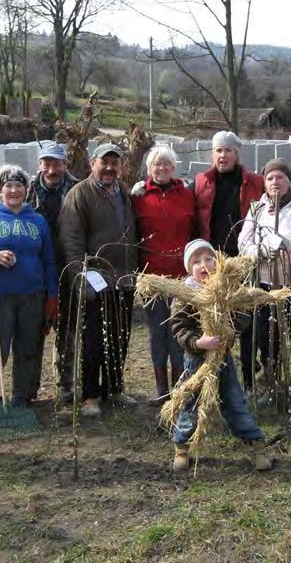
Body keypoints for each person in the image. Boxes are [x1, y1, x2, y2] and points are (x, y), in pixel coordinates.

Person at [0, 165, 58, 431]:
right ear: (0, 189)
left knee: (28, 350)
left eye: (19, 185)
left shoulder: (37, 221)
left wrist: (52, 296)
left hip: (33, 296)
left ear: (26, 190)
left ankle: (20, 401)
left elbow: (49, 260)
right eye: (8, 186)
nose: (14, 190)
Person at [169, 239, 273, 473]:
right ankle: (182, 447)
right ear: (189, 269)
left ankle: (255, 444)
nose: (204, 264)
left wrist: (229, 330)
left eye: (209, 258)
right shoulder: (184, 294)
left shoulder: (229, 290)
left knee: (234, 401)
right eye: (196, 261)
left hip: (223, 359)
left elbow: (243, 315)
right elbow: (178, 327)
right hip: (195, 360)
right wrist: (198, 342)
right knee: (191, 403)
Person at [59, 143, 139, 417]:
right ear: (93, 164)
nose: (109, 168)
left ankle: (114, 389)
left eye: (114, 163)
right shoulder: (79, 194)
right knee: (94, 339)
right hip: (95, 279)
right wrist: (79, 279)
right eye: (104, 162)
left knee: (120, 337)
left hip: (124, 279)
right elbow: (71, 242)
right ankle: (91, 395)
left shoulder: (124, 193)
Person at [238, 158, 291, 406]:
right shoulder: (257, 209)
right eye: (270, 178)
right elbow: (244, 242)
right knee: (267, 338)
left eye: (280, 177)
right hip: (266, 284)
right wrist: (262, 249)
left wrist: (290, 245)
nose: (275, 182)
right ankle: (271, 385)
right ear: (264, 183)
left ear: (289, 180)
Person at [193, 130, 264, 388]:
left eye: (228, 150)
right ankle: (216, 378)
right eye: (218, 151)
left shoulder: (255, 182)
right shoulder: (201, 181)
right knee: (214, 320)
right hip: (212, 265)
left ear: (237, 153)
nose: (222, 155)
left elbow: (280, 193)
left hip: (243, 261)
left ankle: (249, 378)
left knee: (245, 319)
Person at [131, 145, 195, 405]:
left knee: (179, 331)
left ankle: (180, 387)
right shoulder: (139, 196)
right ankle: (162, 390)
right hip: (152, 278)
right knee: (158, 333)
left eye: (167, 164)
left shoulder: (187, 194)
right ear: (149, 169)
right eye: (156, 165)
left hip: (182, 277)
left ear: (174, 167)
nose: (162, 168)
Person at [24, 142, 80, 404]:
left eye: (56, 163)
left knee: (67, 328)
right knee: (35, 327)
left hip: (68, 266)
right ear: (40, 165)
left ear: (64, 165)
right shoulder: (26, 190)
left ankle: (65, 383)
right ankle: (29, 386)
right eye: (46, 163)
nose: (51, 168)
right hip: (36, 269)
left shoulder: (78, 189)